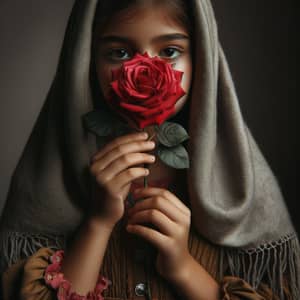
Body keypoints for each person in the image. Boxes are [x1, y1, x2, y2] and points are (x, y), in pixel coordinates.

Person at [0, 0, 299, 299]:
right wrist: (98, 221)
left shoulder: (239, 188)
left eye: (170, 51)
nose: (144, 69)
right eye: (119, 53)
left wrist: (182, 267)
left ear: (202, 58)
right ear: (87, 60)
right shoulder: (52, 180)